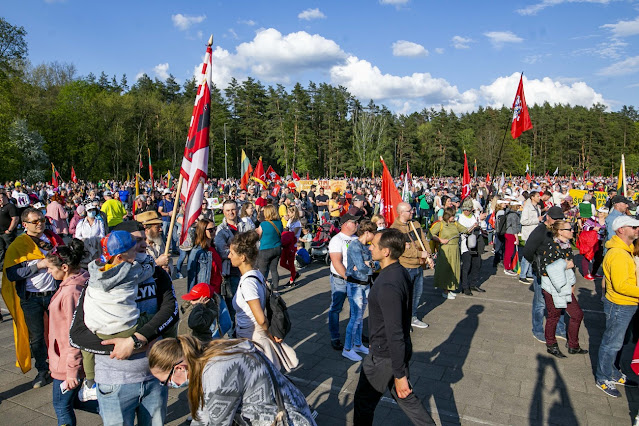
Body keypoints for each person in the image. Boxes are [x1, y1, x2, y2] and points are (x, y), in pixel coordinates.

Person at [69, 218, 179, 426]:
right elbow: (77, 334)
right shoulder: (96, 282)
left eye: (144, 239)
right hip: (113, 382)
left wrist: (136, 340)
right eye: (136, 241)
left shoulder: (155, 274)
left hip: (154, 376)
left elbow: (171, 312)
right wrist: (119, 345)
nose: (144, 244)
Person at [353, 229, 435, 426]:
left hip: (385, 356)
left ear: (386, 251)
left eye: (374, 246)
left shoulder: (389, 284)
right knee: (406, 398)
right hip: (390, 353)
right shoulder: (398, 272)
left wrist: (399, 373)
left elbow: (395, 331)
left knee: (363, 403)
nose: (370, 247)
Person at [148, 336, 316, 425]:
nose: (168, 386)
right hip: (289, 407)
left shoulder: (216, 372)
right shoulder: (207, 355)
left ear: (179, 368)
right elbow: (204, 413)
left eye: (165, 381)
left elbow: (218, 423)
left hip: (284, 420)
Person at [2, 207, 65, 388]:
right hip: (31, 299)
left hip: (54, 293)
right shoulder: (18, 245)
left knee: (60, 331)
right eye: (35, 221)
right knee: (37, 336)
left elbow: (66, 257)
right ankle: (42, 371)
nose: (40, 224)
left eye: (42, 220)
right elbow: (12, 274)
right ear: (25, 224)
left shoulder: (54, 239)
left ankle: (62, 363)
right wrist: (38, 265)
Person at [45, 239, 97, 425]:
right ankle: (117, 411)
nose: (49, 272)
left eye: (51, 269)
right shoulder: (79, 281)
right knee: (74, 401)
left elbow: (74, 334)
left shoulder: (71, 292)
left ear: (65, 267)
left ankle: (117, 412)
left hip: (67, 363)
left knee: (61, 406)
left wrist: (71, 370)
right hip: (64, 359)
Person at [231, 230, 297, 371]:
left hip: (253, 338)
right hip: (253, 336)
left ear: (242, 257)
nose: (229, 256)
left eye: (232, 253)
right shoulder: (257, 274)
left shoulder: (248, 283)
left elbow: (261, 319)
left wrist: (269, 335)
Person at [595, 215, 639, 397]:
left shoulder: (625, 250)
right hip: (620, 305)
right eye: (633, 227)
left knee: (618, 342)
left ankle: (612, 372)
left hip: (627, 304)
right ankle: (603, 377)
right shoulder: (618, 254)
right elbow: (621, 286)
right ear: (621, 230)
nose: (637, 229)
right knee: (611, 343)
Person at [538, 220, 587, 358]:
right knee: (554, 315)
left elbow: (570, 266)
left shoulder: (566, 246)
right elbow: (545, 269)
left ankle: (573, 345)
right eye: (569, 229)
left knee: (577, 314)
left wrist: (572, 284)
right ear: (560, 231)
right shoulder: (551, 246)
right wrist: (565, 265)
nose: (572, 231)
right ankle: (551, 344)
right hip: (552, 288)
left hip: (566, 287)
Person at [521, 206, 568, 344]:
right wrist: (537, 264)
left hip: (558, 273)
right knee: (540, 303)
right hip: (543, 273)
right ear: (547, 217)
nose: (558, 221)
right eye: (555, 219)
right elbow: (528, 251)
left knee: (559, 301)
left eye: (560, 219)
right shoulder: (540, 231)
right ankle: (537, 330)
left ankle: (559, 328)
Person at [391, 202, 434, 328]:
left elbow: (424, 240)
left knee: (417, 294)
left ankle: (412, 317)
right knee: (405, 296)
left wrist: (428, 255)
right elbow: (402, 250)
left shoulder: (415, 223)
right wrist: (421, 254)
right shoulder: (395, 229)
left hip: (418, 265)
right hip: (406, 266)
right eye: (409, 211)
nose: (412, 212)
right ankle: (403, 320)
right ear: (401, 213)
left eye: (412, 210)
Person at [343, 220, 376, 362]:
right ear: (367, 232)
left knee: (360, 317)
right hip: (355, 285)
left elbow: (372, 263)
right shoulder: (355, 246)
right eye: (373, 233)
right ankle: (347, 348)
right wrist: (368, 266)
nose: (374, 237)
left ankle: (357, 344)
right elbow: (361, 267)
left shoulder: (365, 246)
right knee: (355, 317)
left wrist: (369, 265)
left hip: (364, 283)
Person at [328, 209, 361, 350]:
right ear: (347, 224)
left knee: (357, 308)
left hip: (355, 279)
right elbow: (336, 262)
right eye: (355, 222)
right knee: (336, 308)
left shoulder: (356, 238)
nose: (358, 225)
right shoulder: (337, 240)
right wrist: (348, 278)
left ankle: (355, 334)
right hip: (340, 280)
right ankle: (335, 336)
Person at [430, 207, 467, 299]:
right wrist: (440, 239)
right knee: (445, 269)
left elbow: (465, 230)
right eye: (452, 216)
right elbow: (430, 234)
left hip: (455, 249)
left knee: (453, 269)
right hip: (445, 250)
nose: (454, 217)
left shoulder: (455, 223)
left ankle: (450, 288)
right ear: (447, 216)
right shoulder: (440, 224)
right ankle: (445, 290)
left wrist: (473, 226)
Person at [214, 200, 242, 320]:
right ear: (224, 212)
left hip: (246, 270)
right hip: (231, 272)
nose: (231, 213)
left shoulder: (245, 224)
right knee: (232, 307)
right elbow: (223, 252)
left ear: (237, 210)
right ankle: (232, 336)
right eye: (228, 210)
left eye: (233, 210)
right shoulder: (221, 229)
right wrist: (242, 252)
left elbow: (255, 245)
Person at [187, 219, 223, 294]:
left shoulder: (214, 248)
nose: (213, 231)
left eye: (214, 228)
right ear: (203, 231)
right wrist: (192, 296)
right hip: (206, 292)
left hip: (218, 291)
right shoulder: (197, 251)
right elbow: (192, 277)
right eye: (210, 230)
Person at [457, 199, 485, 295]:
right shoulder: (461, 218)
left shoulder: (473, 216)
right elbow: (464, 231)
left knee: (476, 265)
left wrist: (480, 222)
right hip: (466, 245)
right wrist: (474, 226)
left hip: (475, 243)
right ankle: (465, 286)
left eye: (468, 210)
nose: (466, 211)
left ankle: (474, 284)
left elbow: (482, 226)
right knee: (466, 266)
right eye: (464, 209)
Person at [256, 204, 283, 290]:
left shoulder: (263, 224)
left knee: (262, 271)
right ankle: (275, 288)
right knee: (274, 270)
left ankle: (262, 289)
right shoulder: (279, 222)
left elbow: (258, 236)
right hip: (277, 248)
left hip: (265, 249)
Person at [520, 191, 542, 284]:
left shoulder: (537, 208)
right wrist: (537, 220)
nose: (539, 198)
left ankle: (529, 273)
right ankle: (522, 275)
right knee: (527, 254)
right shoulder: (527, 208)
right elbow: (523, 221)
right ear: (532, 197)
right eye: (537, 196)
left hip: (535, 233)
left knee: (533, 254)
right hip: (528, 233)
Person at [0, 190, 19, 268]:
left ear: (5, 198)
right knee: (1, 250)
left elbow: (15, 219)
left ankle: (13, 264)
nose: (0, 200)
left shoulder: (10, 206)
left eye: (1, 198)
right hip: (0, 233)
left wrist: (9, 230)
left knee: (10, 249)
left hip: (7, 233)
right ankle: (2, 266)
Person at [503, 201, 522, 276]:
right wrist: (516, 238)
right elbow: (514, 227)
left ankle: (507, 266)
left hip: (508, 233)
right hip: (511, 234)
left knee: (508, 250)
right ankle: (507, 268)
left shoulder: (509, 213)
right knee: (509, 251)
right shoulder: (514, 215)